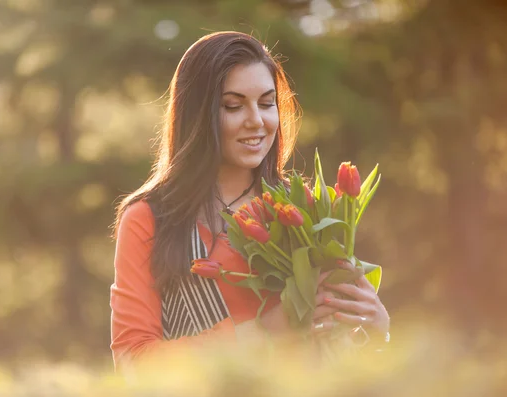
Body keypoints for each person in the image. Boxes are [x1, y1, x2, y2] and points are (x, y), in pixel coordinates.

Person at [110, 31, 389, 370]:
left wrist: (376, 335)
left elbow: (339, 347)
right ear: (198, 115)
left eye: (267, 103)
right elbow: (133, 363)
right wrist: (263, 331)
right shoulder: (151, 219)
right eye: (233, 105)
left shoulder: (304, 209)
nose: (256, 120)